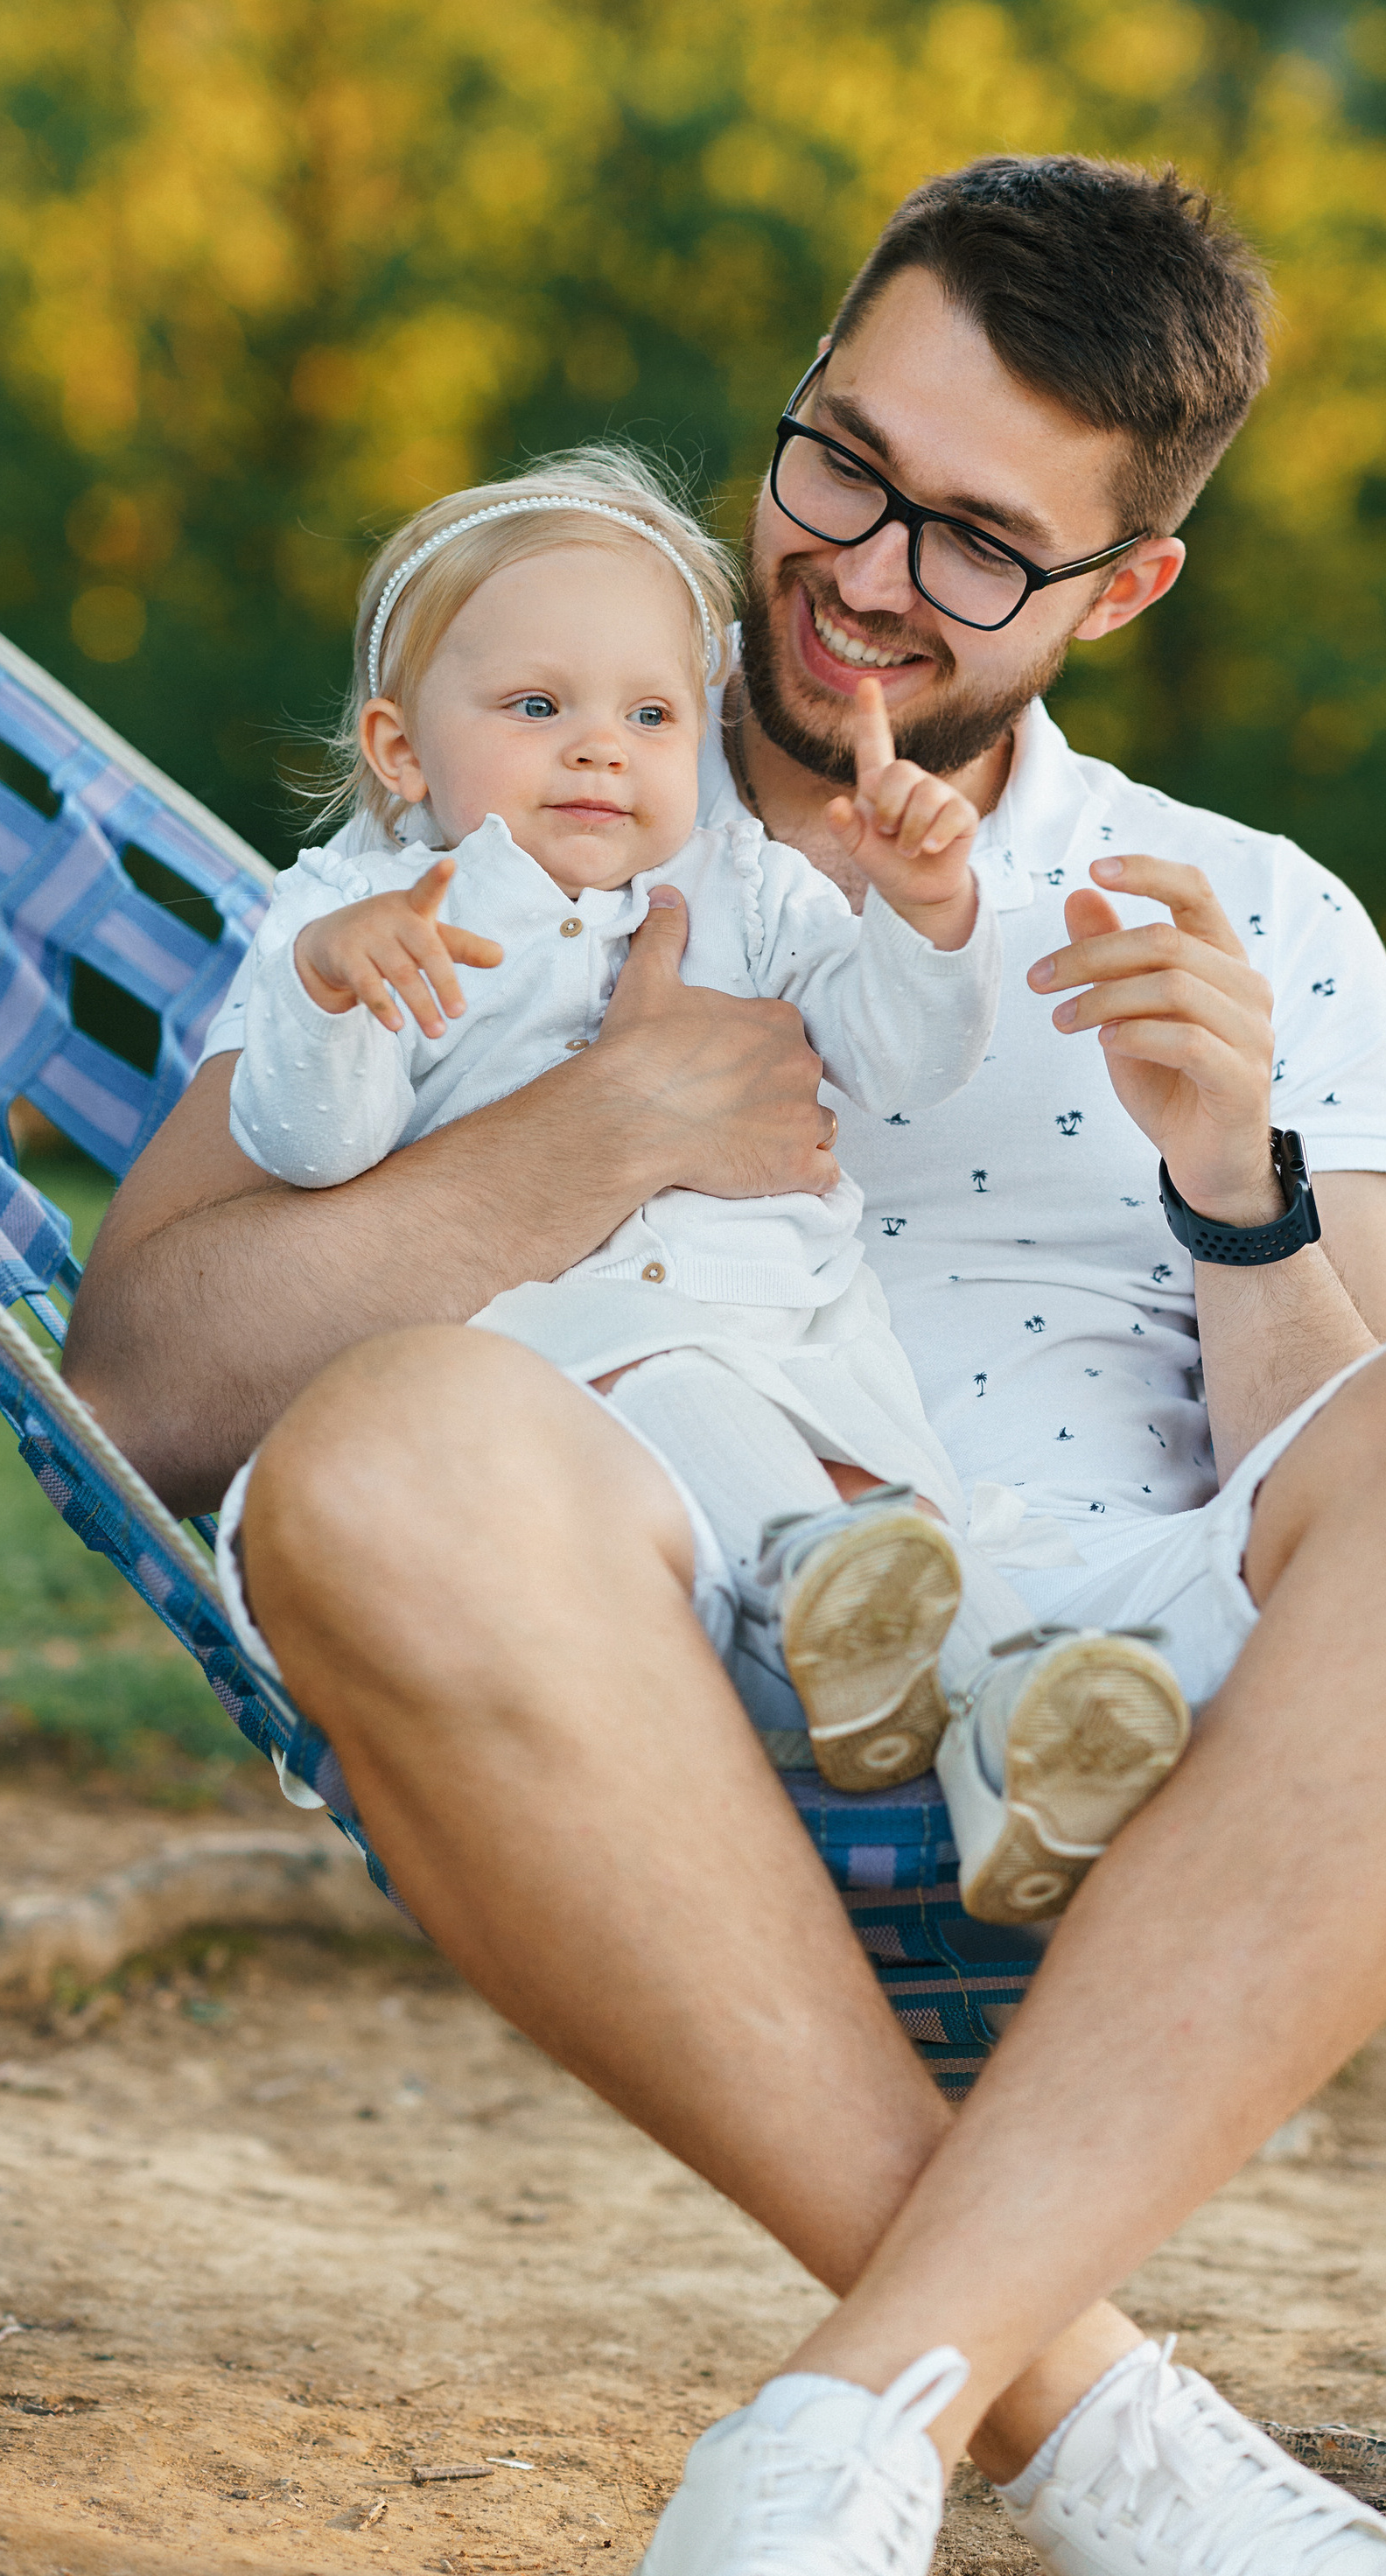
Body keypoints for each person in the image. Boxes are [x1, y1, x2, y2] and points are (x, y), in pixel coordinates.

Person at [64, 154, 1386, 2576]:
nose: (854, 572)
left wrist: (1236, 1179)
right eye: (839, 459)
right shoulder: (502, 792)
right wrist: (598, 1127)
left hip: (1095, 1680)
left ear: (1126, 585)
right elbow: (145, 1378)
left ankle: (857, 2423)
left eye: (977, 539)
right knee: (383, 1449)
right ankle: (1086, 2419)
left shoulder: (1258, 914)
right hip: (612, 1604)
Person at [220, 439, 1190, 1837]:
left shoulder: (748, 888)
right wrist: (331, 997)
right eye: (538, 705)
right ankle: (821, 1598)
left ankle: (1016, 1761)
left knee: (903, 1531)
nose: (600, 745)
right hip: (574, 1381)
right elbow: (311, 1148)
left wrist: (923, 914)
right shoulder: (372, 912)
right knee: (697, 1400)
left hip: (796, 1342)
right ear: (400, 749)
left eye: (654, 713)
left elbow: (898, 1059)